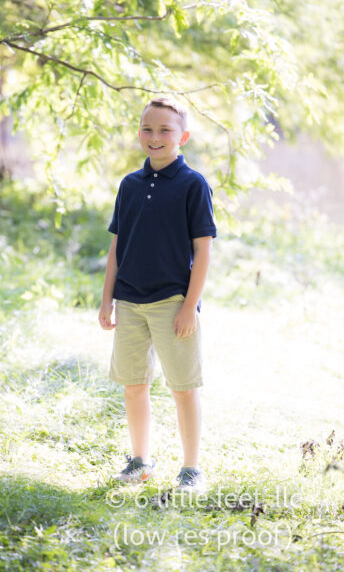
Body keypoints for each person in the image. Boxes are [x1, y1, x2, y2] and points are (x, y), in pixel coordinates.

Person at [98, 97, 217, 492]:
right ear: (139, 133)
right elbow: (117, 247)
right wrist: (107, 299)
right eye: (147, 129)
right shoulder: (130, 185)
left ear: (183, 136)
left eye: (165, 130)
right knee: (134, 385)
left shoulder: (193, 184)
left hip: (172, 302)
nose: (155, 136)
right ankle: (140, 462)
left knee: (183, 387)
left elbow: (203, 251)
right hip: (130, 301)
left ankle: (191, 469)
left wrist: (189, 306)